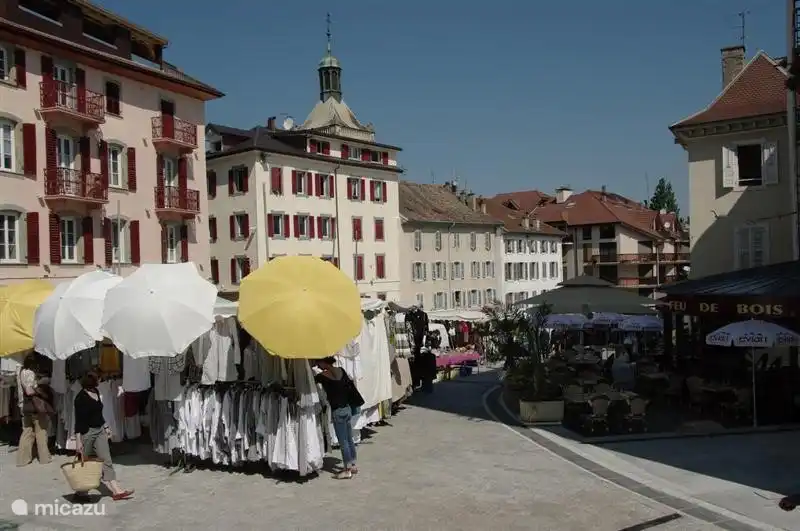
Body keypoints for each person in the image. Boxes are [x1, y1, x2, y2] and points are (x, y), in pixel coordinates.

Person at [74, 371, 133, 501]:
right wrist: (78, 441)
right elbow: (78, 421)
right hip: (87, 432)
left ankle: (116, 490)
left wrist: (106, 427)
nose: (100, 380)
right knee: (85, 462)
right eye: (97, 379)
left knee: (106, 459)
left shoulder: (96, 392)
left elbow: (99, 414)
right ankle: (81, 491)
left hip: (99, 430)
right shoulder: (80, 399)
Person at [314, 357, 360, 480]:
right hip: (347, 408)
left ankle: (347, 469)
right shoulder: (341, 370)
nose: (318, 366)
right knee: (349, 438)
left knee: (343, 441)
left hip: (337, 411)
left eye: (318, 362)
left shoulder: (323, 376)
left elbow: (311, 381)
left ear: (324, 362)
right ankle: (353, 465)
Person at [16, 354, 51, 466]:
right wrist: (38, 389)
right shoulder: (31, 373)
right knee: (41, 431)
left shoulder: (21, 372)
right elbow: (29, 391)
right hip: (35, 407)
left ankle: (23, 459)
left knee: (27, 432)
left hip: (25, 406)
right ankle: (44, 458)